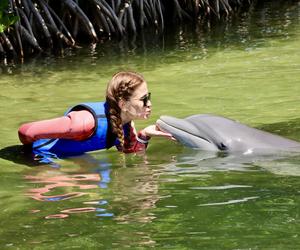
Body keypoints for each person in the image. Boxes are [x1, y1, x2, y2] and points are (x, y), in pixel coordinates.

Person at [18, 71, 173, 159]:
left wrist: (146, 134)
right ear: (123, 104)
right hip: (35, 157)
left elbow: (132, 154)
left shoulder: (125, 124)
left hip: (64, 158)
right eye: (143, 99)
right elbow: (26, 132)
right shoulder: (85, 122)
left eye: (149, 97)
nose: (149, 104)